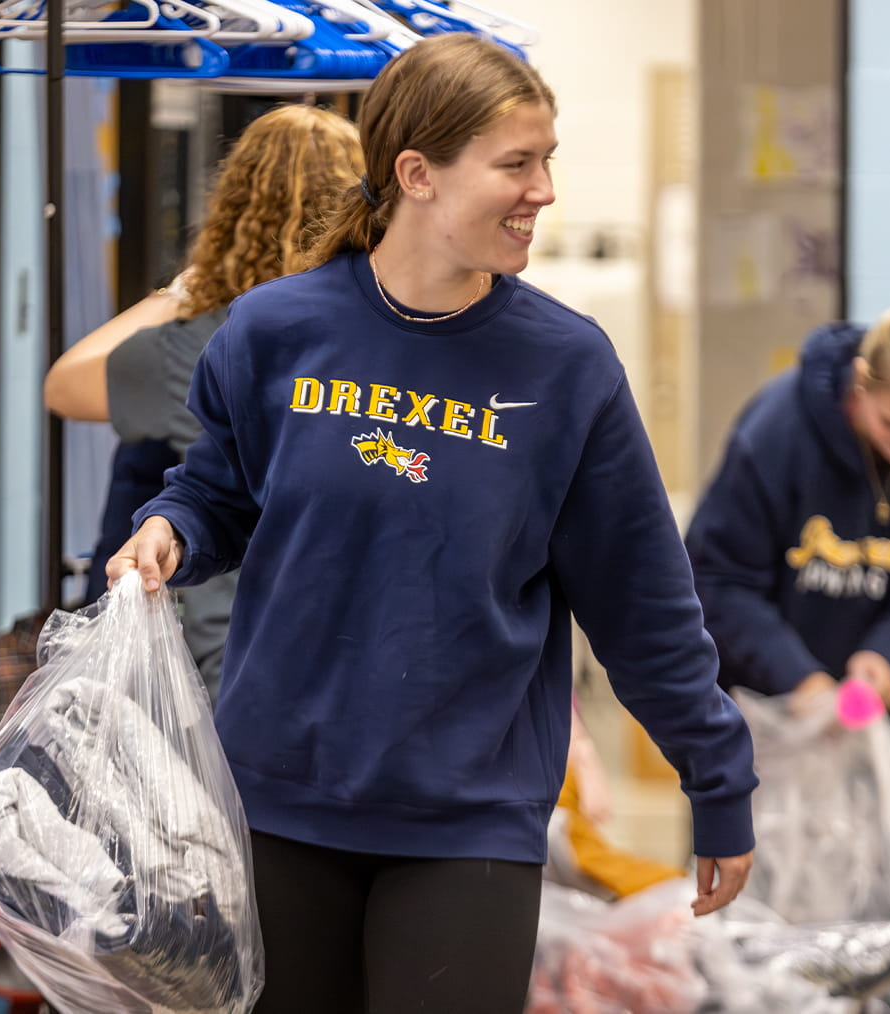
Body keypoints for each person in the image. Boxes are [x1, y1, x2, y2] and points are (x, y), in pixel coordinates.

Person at [108, 34, 757, 1014]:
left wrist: (716, 779)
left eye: (547, 161)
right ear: (415, 174)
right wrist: (170, 531)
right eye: (515, 164)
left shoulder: (565, 369)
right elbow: (219, 493)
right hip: (278, 800)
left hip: (467, 822)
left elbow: (644, 606)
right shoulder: (276, 331)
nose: (542, 190)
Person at [43, 103, 365, 696]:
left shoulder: (198, 341)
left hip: (211, 667)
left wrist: (181, 290)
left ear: (232, 209)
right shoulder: (365, 339)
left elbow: (64, 384)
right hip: (334, 655)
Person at [684, 293, 890, 719]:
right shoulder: (775, 434)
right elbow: (718, 580)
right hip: (753, 705)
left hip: (859, 711)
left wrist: (886, 654)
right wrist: (797, 677)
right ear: (860, 381)